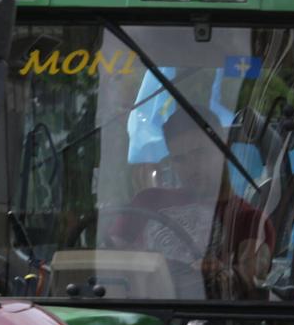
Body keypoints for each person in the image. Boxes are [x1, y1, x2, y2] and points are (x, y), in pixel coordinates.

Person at [110, 105, 274, 298]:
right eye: (180, 159)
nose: (191, 167)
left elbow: (250, 275)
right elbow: (108, 260)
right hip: (138, 313)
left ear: (224, 147)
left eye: (200, 153)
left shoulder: (250, 221)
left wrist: (223, 274)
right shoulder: (147, 201)